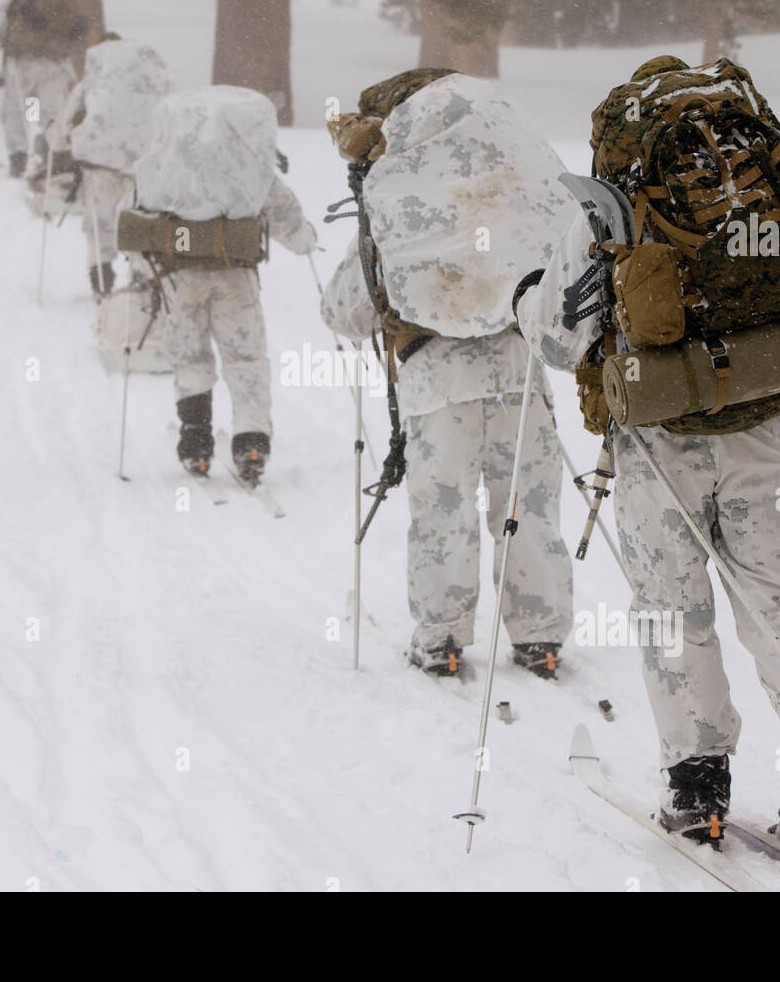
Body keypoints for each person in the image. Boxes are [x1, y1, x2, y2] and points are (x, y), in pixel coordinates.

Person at [513, 55, 780, 845]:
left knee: (674, 613)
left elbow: (562, 342)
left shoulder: (613, 203)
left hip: (658, 442)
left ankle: (697, 779)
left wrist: (525, 297)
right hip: (762, 424)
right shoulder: (773, 184)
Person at [320, 69, 575, 679]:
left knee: (445, 510)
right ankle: (539, 635)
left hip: (437, 383)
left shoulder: (398, 213)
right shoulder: (510, 199)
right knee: (529, 504)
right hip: (520, 372)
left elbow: (346, 313)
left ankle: (441, 638)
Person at [131, 85, 317, 484]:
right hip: (235, 273)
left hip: (177, 276)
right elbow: (285, 214)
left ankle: (196, 443)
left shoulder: (163, 166)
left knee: (190, 357)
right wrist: (305, 241)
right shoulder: (245, 168)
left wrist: (140, 268)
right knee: (245, 357)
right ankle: (251, 442)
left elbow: (131, 218)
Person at [54, 33, 171, 296]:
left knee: (100, 226)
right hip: (141, 172)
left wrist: (65, 147)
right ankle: (142, 278)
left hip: (99, 169)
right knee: (139, 224)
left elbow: (66, 126)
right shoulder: (150, 87)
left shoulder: (91, 87)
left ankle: (101, 276)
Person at [0, 0, 88, 183]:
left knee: (15, 109)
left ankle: (18, 157)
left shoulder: (17, 0)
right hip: (56, 61)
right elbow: (78, 35)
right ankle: (55, 153)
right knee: (51, 111)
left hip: (24, 63)